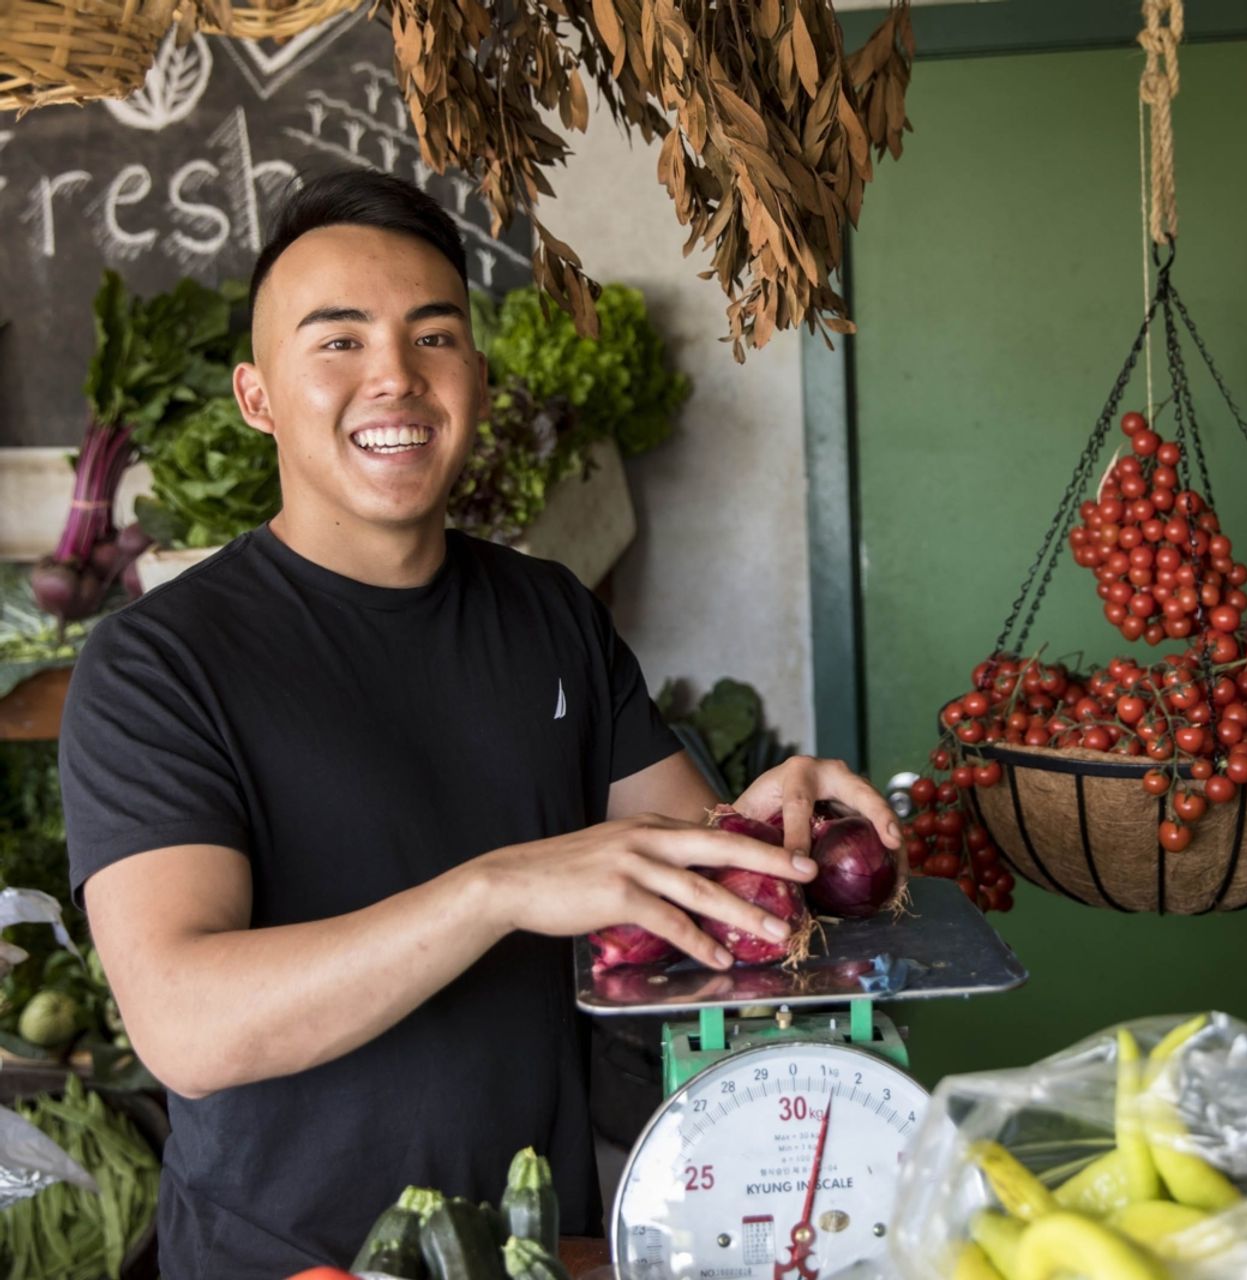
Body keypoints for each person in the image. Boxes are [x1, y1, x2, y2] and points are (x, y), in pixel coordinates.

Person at [56, 168, 899, 1278]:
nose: (395, 377)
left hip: (533, 1245)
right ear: (257, 396)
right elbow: (187, 1026)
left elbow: (704, 883)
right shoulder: (158, 663)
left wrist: (775, 828)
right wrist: (496, 887)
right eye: (339, 342)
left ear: (479, 379)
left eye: (433, 335)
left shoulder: (548, 612)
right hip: (291, 1259)